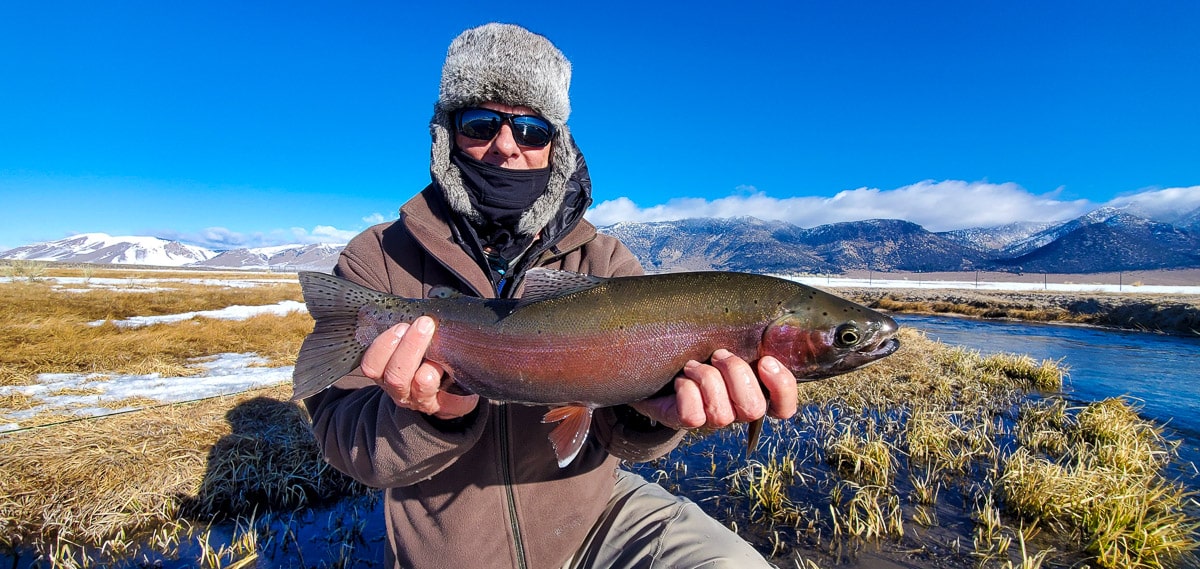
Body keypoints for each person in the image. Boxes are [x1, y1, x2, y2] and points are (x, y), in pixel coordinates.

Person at [304, 23, 800, 569]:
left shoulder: (608, 262)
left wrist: (651, 416)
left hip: (597, 515)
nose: (506, 146)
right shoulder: (376, 259)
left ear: (556, 145)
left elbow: (625, 441)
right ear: (446, 134)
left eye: (531, 130)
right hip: (452, 546)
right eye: (480, 122)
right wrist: (432, 416)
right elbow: (342, 441)